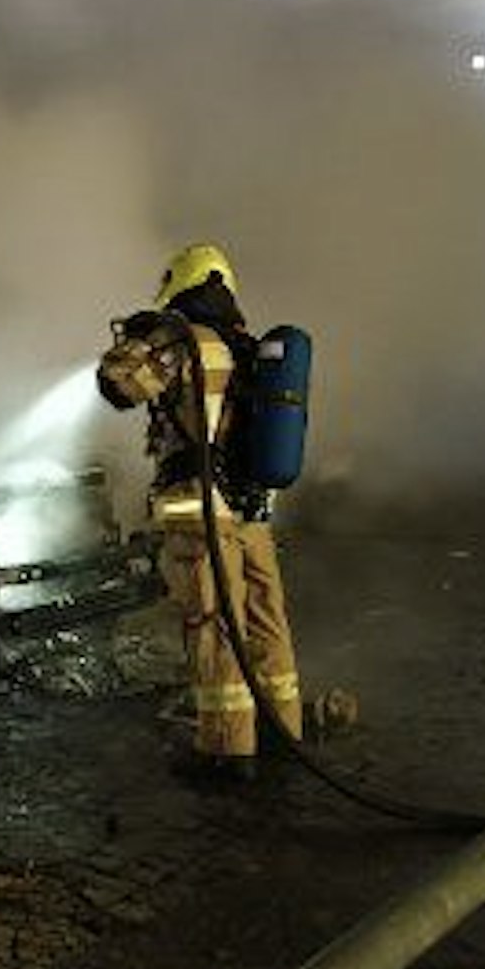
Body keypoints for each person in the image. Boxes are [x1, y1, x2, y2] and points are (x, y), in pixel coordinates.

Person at [98, 242, 303, 781]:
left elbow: (120, 385)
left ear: (179, 284)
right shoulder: (246, 346)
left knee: (214, 619)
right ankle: (283, 731)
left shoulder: (180, 341)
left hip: (201, 509)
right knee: (264, 617)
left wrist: (141, 336)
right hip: (252, 512)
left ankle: (227, 749)